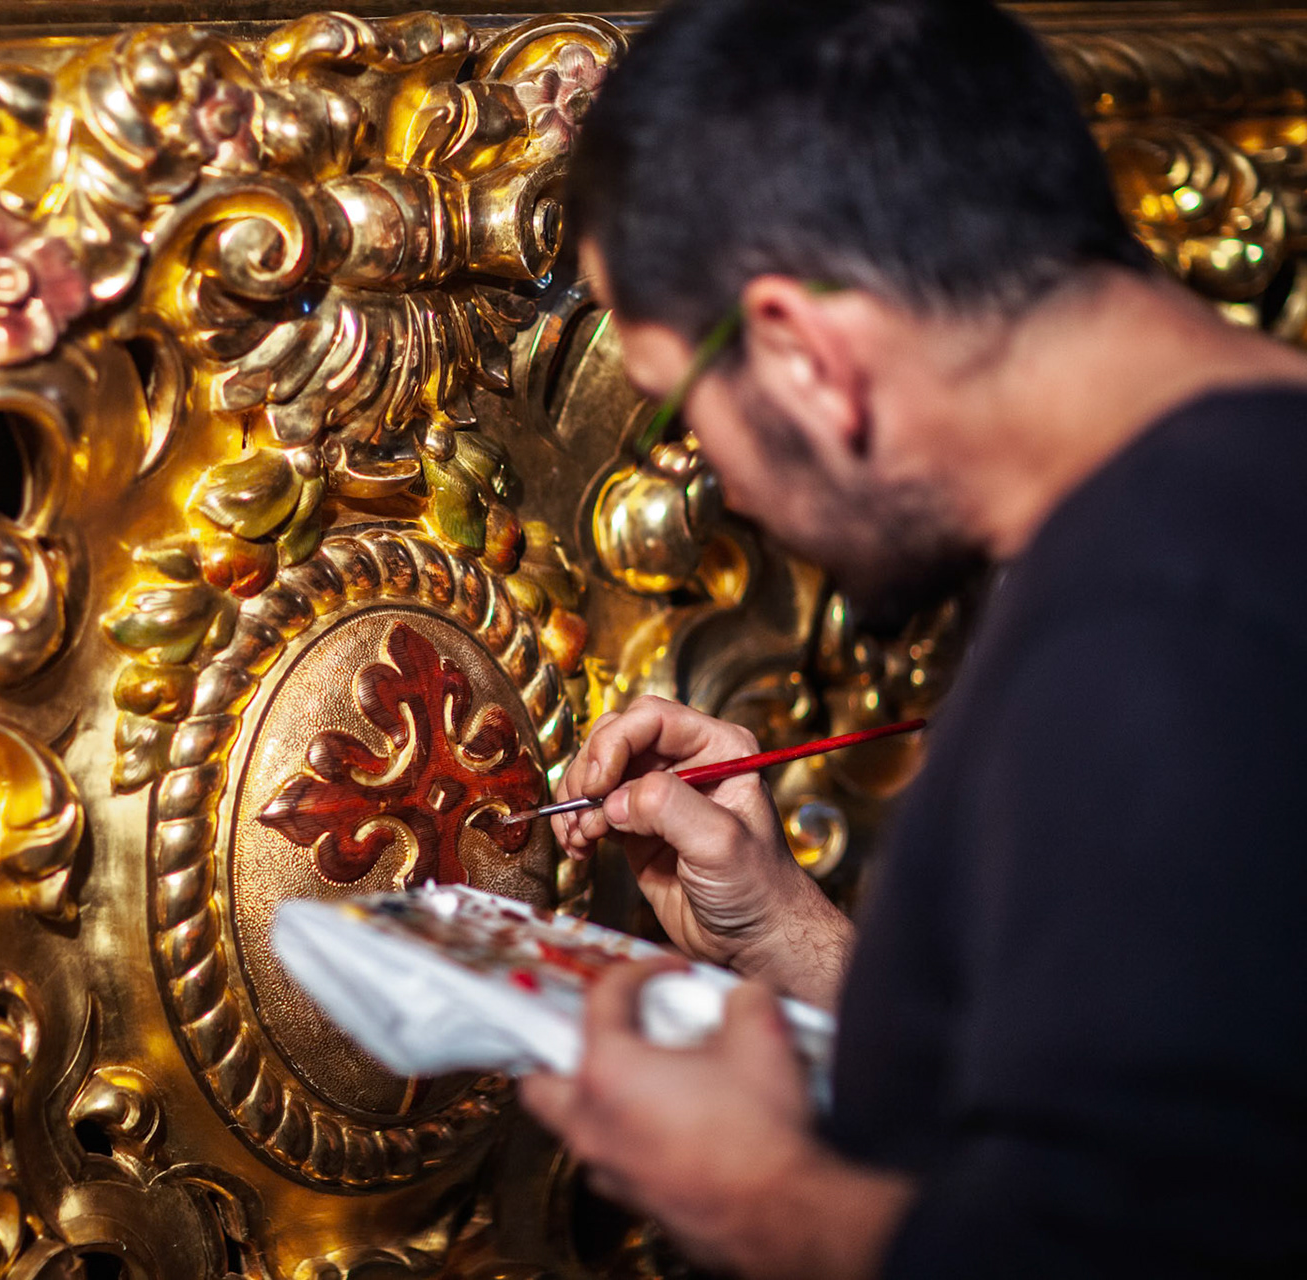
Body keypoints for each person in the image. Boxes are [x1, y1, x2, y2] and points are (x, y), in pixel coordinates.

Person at [515, 1, 1307, 1277]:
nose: (713, 479)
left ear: (807, 354)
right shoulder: (1231, 487)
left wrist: (766, 1200)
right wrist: (797, 944)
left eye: (682, 409)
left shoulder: (1151, 637)